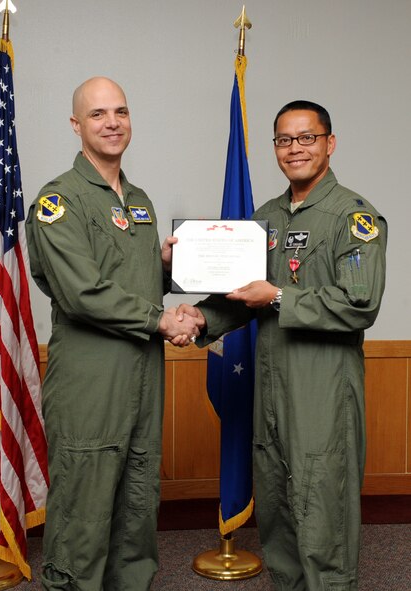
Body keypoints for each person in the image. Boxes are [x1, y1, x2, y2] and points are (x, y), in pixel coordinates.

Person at [176, 101, 387, 591]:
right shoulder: (265, 217)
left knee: (323, 526)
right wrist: (200, 318)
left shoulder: (353, 217)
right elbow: (241, 296)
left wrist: (278, 296)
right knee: (278, 521)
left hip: (322, 398)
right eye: (284, 140)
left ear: (329, 144)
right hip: (269, 394)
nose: (295, 149)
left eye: (306, 138)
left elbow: (359, 303)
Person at [26, 76, 199, 591]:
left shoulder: (139, 200)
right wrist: (163, 321)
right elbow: (82, 292)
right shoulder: (60, 200)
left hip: (143, 373)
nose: (112, 123)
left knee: (138, 500)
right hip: (91, 379)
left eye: (120, 112)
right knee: (85, 505)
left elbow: (137, 279)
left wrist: (169, 266)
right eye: (98, 114)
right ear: (76, 125)